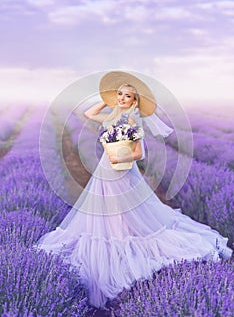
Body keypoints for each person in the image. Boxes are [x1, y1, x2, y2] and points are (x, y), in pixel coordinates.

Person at [35, 71, 232, 308]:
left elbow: (140, 153)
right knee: (106, 206)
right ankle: (116, 238)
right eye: (119, 94)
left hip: (123, 169)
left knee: (120, 208)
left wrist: (121, 155)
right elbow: (88, 113)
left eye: (126, 96)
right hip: (105, 169)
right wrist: (107, 101)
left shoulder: (133, 122)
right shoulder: (111, 117)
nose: (121, 98)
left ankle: (121, 244)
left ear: (134, 101)